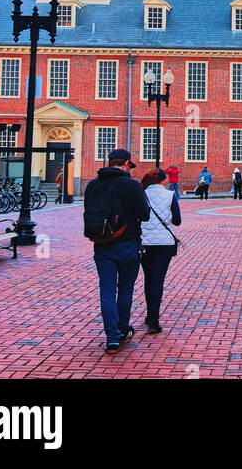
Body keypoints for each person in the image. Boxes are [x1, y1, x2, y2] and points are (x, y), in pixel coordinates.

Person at [83, 148, 150, 353]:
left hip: (102, 244)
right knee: (126, 289)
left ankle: (111, 338)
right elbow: (145, 215)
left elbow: (88, 210)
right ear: (127, 164)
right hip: (129, 243)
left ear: (109, 163)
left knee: (107, 291)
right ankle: (122, 329)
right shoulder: (131, 185)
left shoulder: (93, 185)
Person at [139, 168, 181, 334]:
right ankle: (154, 320)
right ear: (163, 181)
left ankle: (150, 316)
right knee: (158, 280)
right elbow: (177, 221)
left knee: (148, 278)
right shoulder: (170, 196)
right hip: (164, 243)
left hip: (145, 243)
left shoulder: (141, 195)